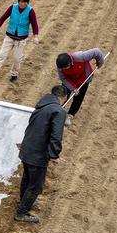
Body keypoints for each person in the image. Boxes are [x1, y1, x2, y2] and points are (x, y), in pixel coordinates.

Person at [15, 85, 68, 223]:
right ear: (64, 98)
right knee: (36, 185)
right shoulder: (58, 111)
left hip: (26, 148)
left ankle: (24, 202)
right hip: (37, 154)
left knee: (27, 178)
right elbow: (56, 136)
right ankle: (21, 213)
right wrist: (54, 155)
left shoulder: (41, 106)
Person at [0, 0, 40, 83]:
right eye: (21, 1)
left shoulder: (30, 11)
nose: (22, 4)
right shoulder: (12, 7)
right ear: (18, 1)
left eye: (25, 2)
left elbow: (34, 25)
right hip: (9, 37)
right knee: (2, 55)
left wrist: (35, 36)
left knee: (17, 58)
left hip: (21, 39)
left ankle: (14, 74)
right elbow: (3, 17)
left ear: (27, 2)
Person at [56, 47, 105, 126]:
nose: (63, 70)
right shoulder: (60, 67)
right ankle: (60, 111)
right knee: (63, 94)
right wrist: (73, 87)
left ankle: (70, 115)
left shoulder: (80, 56)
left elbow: (97, 51)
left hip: (83, 79)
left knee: (79, 97)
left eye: (65, 68)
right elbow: (63, 78)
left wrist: (100, 63)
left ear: (69, 63)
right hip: (69, 80)